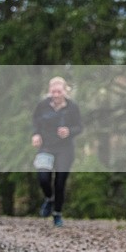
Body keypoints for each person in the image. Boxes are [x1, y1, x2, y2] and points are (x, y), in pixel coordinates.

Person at [31, 76, 83, 227]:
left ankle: (57, 214)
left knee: (60, 182)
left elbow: (79, 127)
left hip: (65, 149)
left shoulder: (72, 107)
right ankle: (49, 198)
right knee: (43, 177)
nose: (56, 94)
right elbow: (35, 121)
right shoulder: (42, 105)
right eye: (53, 91)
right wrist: (35, 134)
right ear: (49, 91)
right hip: (46, 146)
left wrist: (69, 131)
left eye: (59, 91)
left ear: (65, 91)